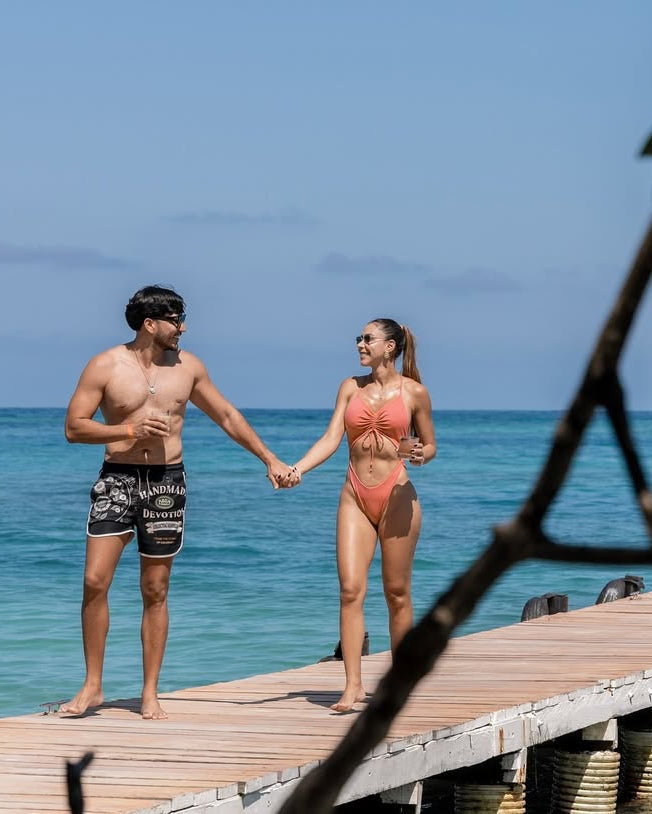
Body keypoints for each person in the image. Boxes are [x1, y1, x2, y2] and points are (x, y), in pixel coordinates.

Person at [60, 285, 294, 720]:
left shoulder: (189, 368)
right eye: (174, 319)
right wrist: (127, 431)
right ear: (150, 324)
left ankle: (150, 692)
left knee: (156, 588)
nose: (182, 327)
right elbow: (74, 427)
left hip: (166, 482)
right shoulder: (105, 365)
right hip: (117, 479)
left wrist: (270, 458)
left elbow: (227, 415)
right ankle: (93, 685)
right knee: (95, 581)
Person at [284, 318, 436, 712]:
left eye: (367, 339)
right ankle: (352, 687)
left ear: (390, 347)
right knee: (351, 590)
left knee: (397, 594)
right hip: (355, 494)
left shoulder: (415, 392)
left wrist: (421, 453)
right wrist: (298, 468)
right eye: (359, 338)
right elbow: (332, 438)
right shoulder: (350, 387)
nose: (360, 345)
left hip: (397, 495)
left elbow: (430, 444)